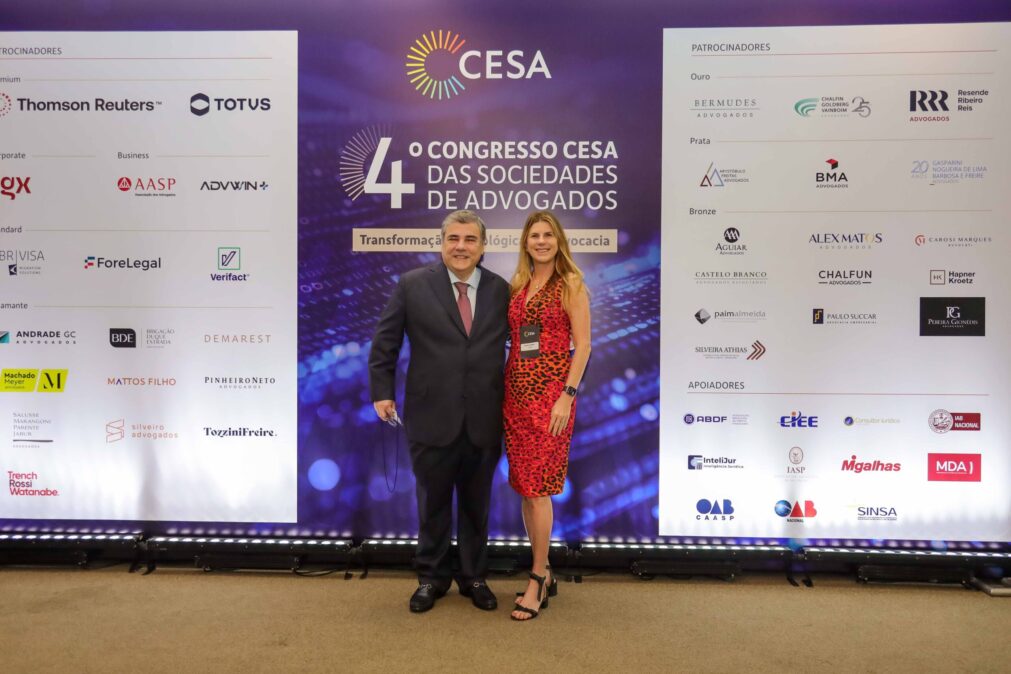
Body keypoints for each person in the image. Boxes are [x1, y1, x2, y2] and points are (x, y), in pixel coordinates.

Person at [368, 210, 510, 614]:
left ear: (483, 246)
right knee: (432, 504)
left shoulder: (502, 289)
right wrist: (382, 392)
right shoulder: (412, 285)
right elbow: (385, 342)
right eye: (453, 239)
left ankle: (474, 577)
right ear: (442, 243)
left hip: (484, 416)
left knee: (476, 506)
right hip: (430, 415)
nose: (461, 247)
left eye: (470, 239)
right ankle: (431, 578)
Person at [504, 211, 591, 621]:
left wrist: (566, 397)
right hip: (515, 396)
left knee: (539, 489)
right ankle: (546, 571)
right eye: (534, 235)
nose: (541, 241)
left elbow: (584, 345)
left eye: (548, 235)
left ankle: (537, 577)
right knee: (527, 488)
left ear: (559, 241)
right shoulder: (519, 285)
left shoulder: (570, 283)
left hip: (551, 399)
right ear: (525, 241)